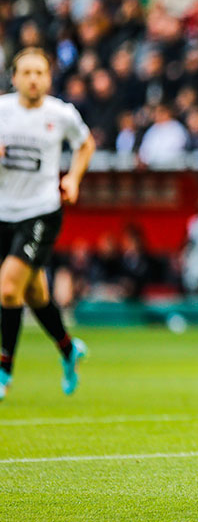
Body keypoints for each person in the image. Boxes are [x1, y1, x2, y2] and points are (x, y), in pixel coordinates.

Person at [0, 47, 96, 401]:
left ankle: (4, 368)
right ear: (14, 78)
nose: (33, 79)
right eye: (26, 73)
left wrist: (73, 178)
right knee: (36, 292)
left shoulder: (61, 114)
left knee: (8, 288)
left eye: (39, 72)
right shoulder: (2, 112)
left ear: (48, 78)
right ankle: (69, 350)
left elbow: (86, 144)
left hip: (40, 211)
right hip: (3, 213)